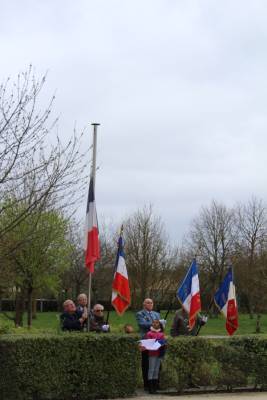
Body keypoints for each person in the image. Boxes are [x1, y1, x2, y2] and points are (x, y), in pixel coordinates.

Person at [136, 298, 166, 391]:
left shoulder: (156, 314)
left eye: (151, 303)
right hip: (146, 340)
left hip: (157, 341)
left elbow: (160, 327)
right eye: (148, 303)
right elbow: (142, 324)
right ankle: (147, 385)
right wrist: (156, 323)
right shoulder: (140, 314)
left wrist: (162, 324)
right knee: (146, 364)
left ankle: (156, 384)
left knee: (157, 364)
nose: (150, 304)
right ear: (144, 304)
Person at [143, 320, 166, 394]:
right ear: (152, 324)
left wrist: (162, 343)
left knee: (156, 370)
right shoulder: (149, 333)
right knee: (151, 370)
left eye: (157, 322)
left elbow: (163, 342)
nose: (155, 324)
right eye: (153, 322)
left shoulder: (161, 334)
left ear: (159, 324)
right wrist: (158, 342)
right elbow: (149, 343)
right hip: (152, 354)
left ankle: (155, 388)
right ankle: (150, 388)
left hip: (159, 354)